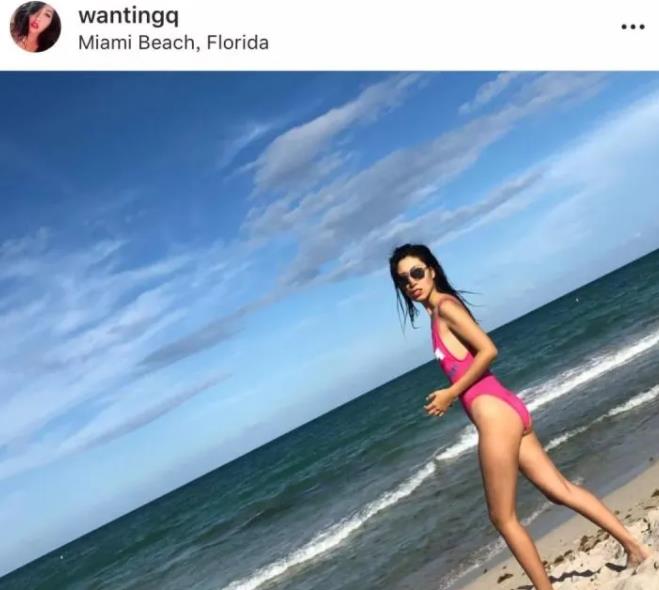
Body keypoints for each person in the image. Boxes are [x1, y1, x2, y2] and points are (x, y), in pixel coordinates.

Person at [388, 243, 653, 590]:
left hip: (495, 416)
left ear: (431, 271)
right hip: (508, 410)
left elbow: (488, 350)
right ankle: (635, 548)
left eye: (416, 272)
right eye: (404, 279)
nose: (411, 282)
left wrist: (451, 393)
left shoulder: (445, 307)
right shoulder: (438, 313)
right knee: (559, 490)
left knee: (502, 517)